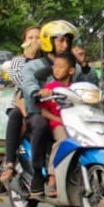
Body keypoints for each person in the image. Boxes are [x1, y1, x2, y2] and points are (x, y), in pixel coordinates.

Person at [21, 20, 86, 196]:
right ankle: (43, 175)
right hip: (41, 113)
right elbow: (27, 84)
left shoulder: (76, 68)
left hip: (71, 116)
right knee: (43, 127)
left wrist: (86, 67)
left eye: (67, 41)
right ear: (49, 42)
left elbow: (88, 84)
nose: (65, 45)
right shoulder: (33, 66)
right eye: (60, 40)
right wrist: (35, 92)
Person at [0, 26, 42, 183]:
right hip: (21, 101)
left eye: (38, 37)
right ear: (24, 42)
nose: (34, 41)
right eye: (30, 38)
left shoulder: (46, 61)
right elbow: (22, 82)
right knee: (16, 116)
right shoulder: (17, 61)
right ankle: (9, 161)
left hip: (42, 103)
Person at [36, 51, 77, 197]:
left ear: (71, 70)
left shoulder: (76, 89)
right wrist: (58, 120)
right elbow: (42, 112)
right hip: (56, 124)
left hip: (75, 124)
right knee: (63, 141)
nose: (56, 69)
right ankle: (52, 178)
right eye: (55, 66)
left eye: (61, 67)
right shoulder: (50, 88)